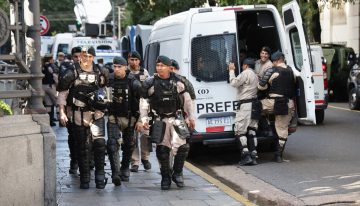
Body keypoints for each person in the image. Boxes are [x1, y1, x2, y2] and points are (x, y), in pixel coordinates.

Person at [138, 55, 196, 190]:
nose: (159, 68)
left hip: (177, 118)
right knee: (163, 150)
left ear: (169, 67)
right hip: (160, 120)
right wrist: (144, 119)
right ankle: (165, 177)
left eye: (162, 66)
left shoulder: (180, 82)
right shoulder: (150, 83)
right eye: (158, 66)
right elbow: (144, 102)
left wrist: (191, 117)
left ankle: (177, 173)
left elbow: (187, 100)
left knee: (183, 147)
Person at [57, 46, 108, 189]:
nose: (87, 59)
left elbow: (106, 89)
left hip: (96, 114)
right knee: (82, 147)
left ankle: (100, 175)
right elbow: (62, 92)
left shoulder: (101, 72)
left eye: (90, 56)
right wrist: (62, 112)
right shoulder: (71, 72)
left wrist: (104, 103)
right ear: (81, 57)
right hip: (78, 114)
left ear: (93, 57)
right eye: (84, 56)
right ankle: (84, 178)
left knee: (99, 144)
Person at [106, 56, 143, 185]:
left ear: (125, 67)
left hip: (130, 118)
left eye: (119, 67)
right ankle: (115, 172)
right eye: (114, 67)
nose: (116, 69)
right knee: (111, 144)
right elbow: (102, 97)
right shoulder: (108, 80)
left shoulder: (133, 82)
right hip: (113, 117)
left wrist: (140, 120)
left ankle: (125, 167)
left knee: (129, 145)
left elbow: (142, 102)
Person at [258, 51, 296, 163]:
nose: (273, 63)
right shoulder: (291, 71)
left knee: (255, 106)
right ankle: (278, 155)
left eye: (273, 61)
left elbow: (261, 86)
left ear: (277, 60)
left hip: (273, 103)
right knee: (282, 129)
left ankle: (265, 127)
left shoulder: (273, 70)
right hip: (288, 104)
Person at [228, 58, 260, 165]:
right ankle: (254, 155)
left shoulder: (245, 73)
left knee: (239, 130)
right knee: (252, 130)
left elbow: (234, 83)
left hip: (245, 105)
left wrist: (231, 71)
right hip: (255, 105)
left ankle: (245, 155)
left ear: (245, 66)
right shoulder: (256, 75)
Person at [57, 46, 81, 175]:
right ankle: (74, 161)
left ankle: (89, 161)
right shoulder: (68, 72)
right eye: (75, 57)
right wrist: (62, 112)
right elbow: (62, 93)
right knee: (73, 138)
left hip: (88, 112)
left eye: (80, 56)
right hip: (72, 110)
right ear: (72, 58)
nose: (78, 59)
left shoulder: (91, 71)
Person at [127, 51, 152, 173]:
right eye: (132, 59)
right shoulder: (125, 72)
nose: (134, 62)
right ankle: (135, 162)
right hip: (129, 109)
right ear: (128, 60)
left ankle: (145, 158)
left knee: (145, 135)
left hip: (143, 109)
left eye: (136, 60)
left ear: (139, 61)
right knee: (131, 138)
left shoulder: (144, 72)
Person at [42, 54, 58, 126]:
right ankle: (61, 120)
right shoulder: (51, 66)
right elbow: (54, 76)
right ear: (50, 59)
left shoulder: (41, 66)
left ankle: (49, 121)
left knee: (48, 104)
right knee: (57, 102)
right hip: (50, 86)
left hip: (42, 86)